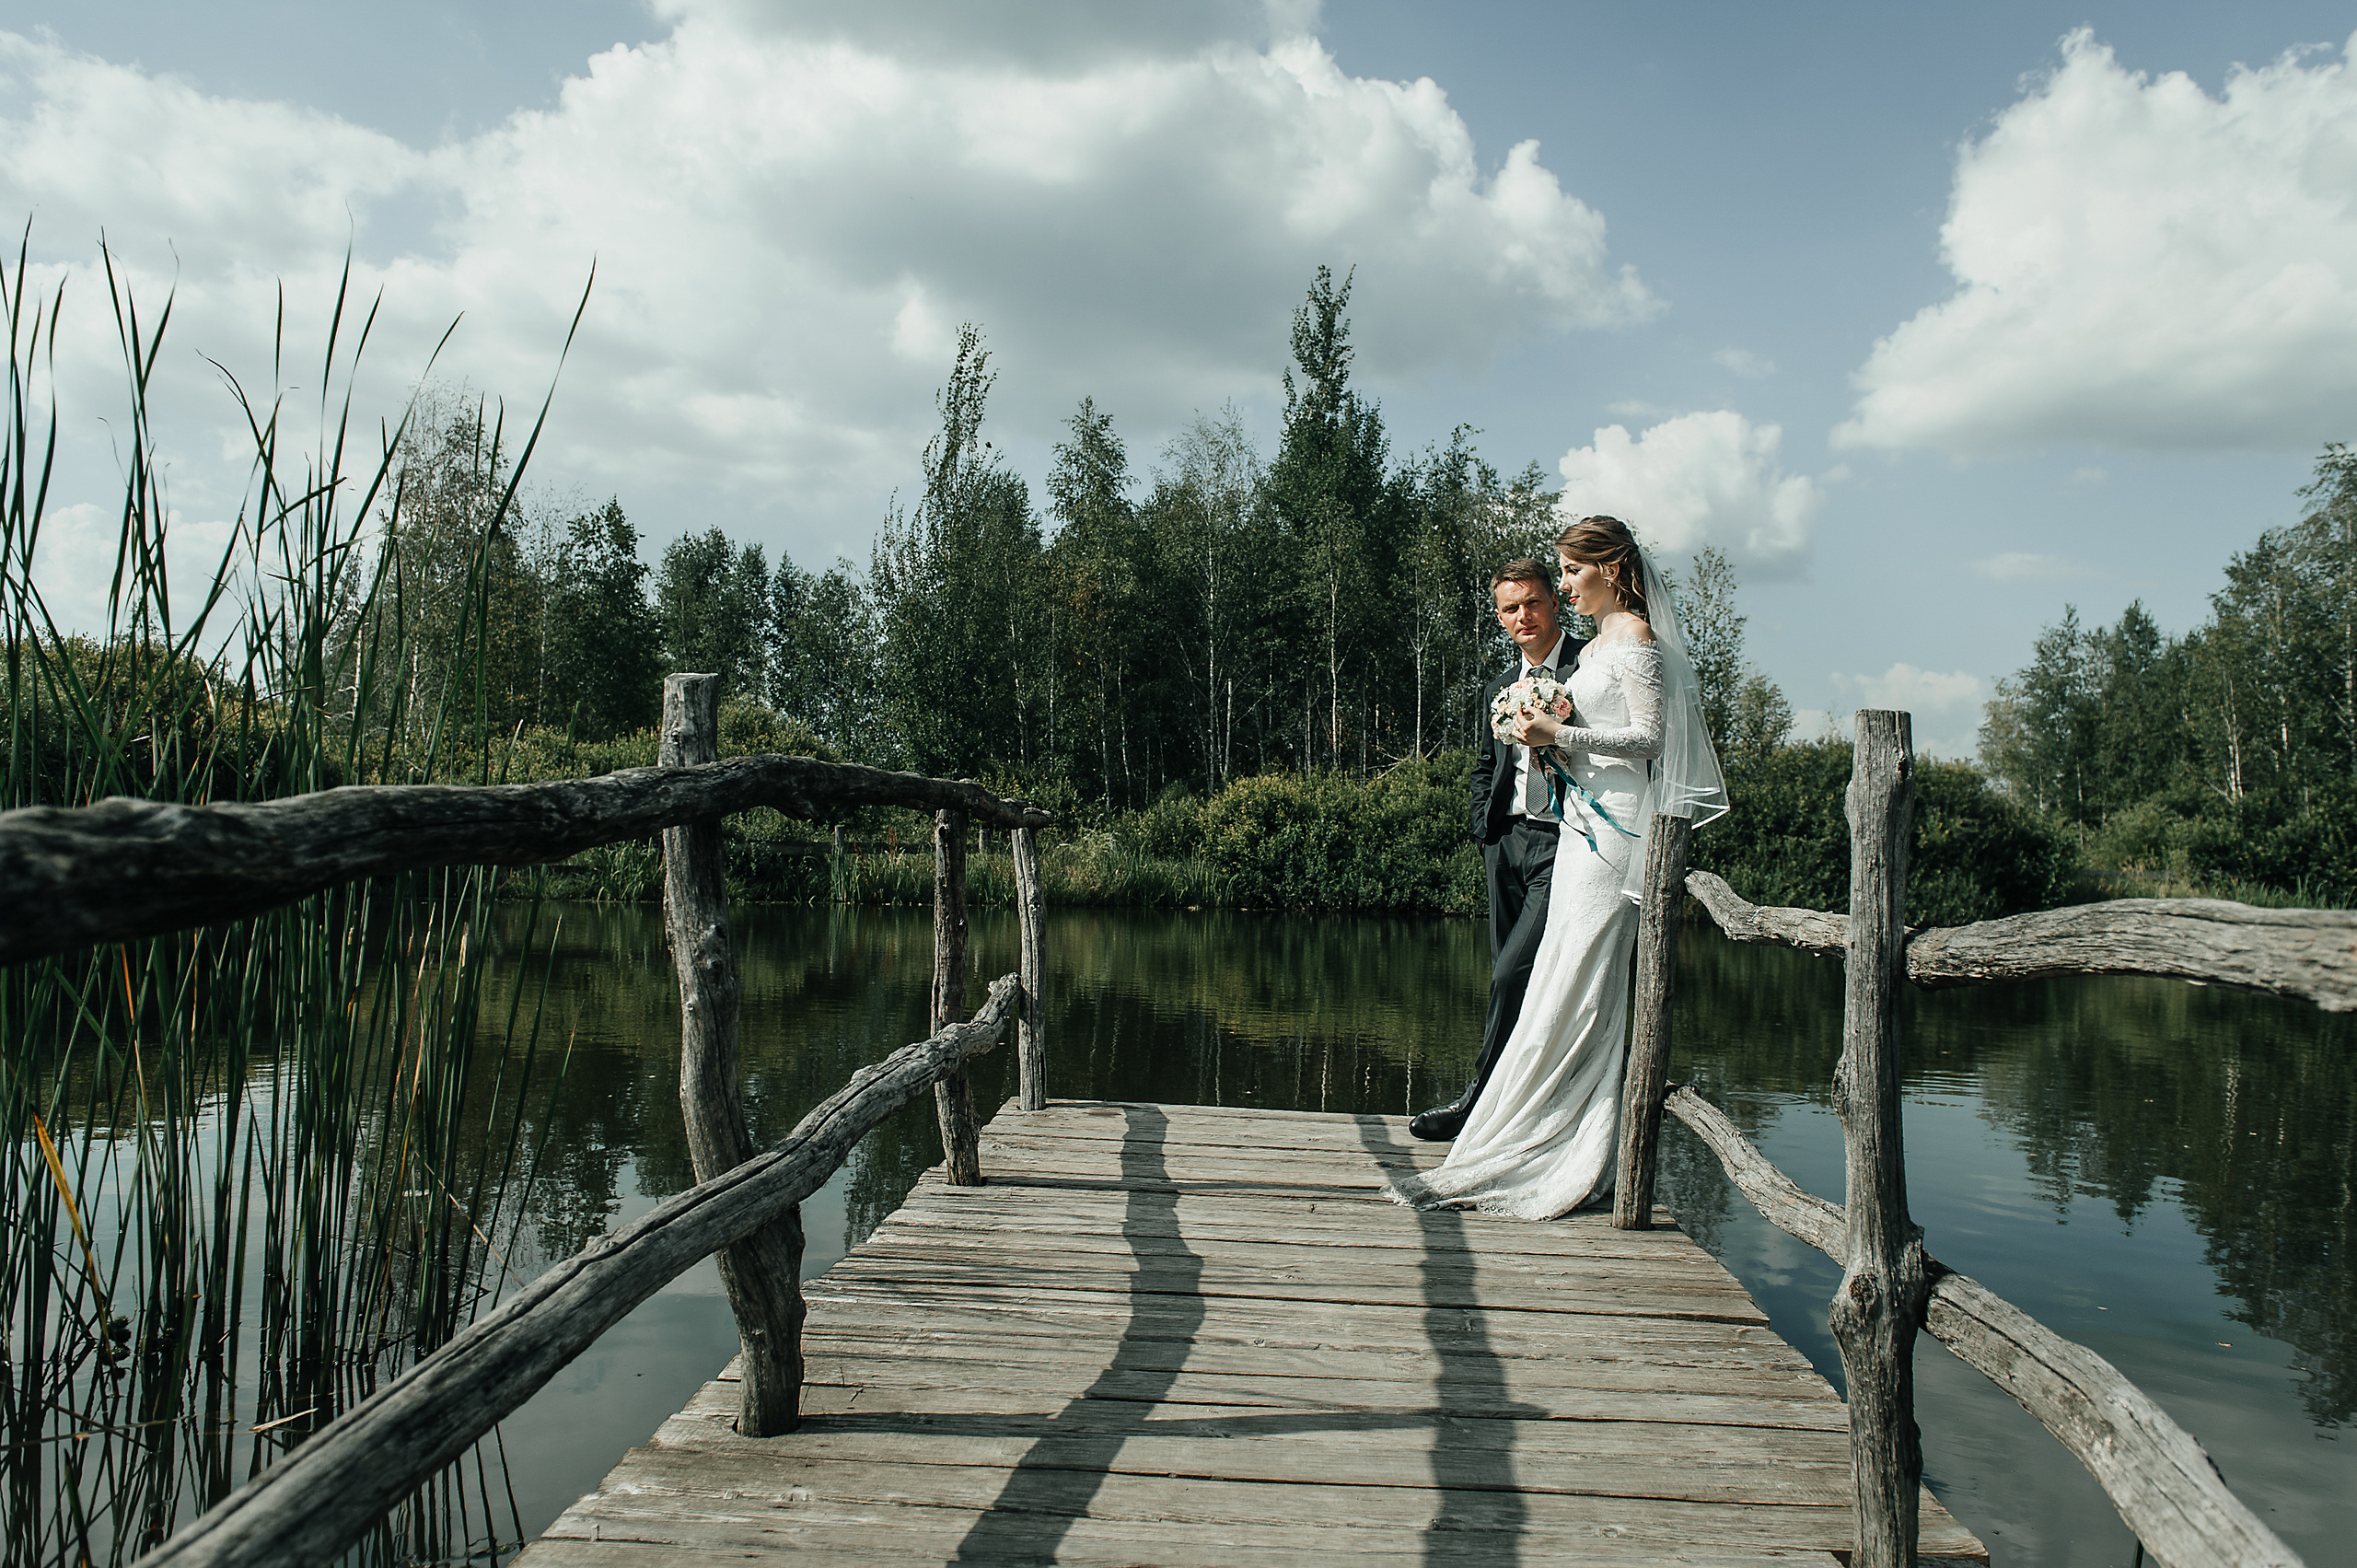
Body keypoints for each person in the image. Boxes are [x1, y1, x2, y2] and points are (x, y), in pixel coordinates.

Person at [1392, 516, 1727, 1219]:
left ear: (1609, 566)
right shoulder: (1604, 642)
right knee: (1558, 980)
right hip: (1573, 822)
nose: (1568, 584)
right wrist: (1552, 750)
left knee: (1576, 979)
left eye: (1572, 572)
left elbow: (1651, 737)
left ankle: (1565, 1139)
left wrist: (1558, 733)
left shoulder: (1632, 636)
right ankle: (1541, 1126)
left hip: (1614, 828)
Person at [1408, 559, 1585, 1142]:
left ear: (1553, 603)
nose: (1523, 616)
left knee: (1514, 976)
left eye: (1532, 602)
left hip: (1564, 841)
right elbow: (1489, 764)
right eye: (1510, 609)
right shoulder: (1498, 687)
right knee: (1507, 974)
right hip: (1505, 841)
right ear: (1500, 617)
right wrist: (1483, 829)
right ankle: (1515, 1108)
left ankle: (1476, 1107)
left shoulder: (1589, 669)